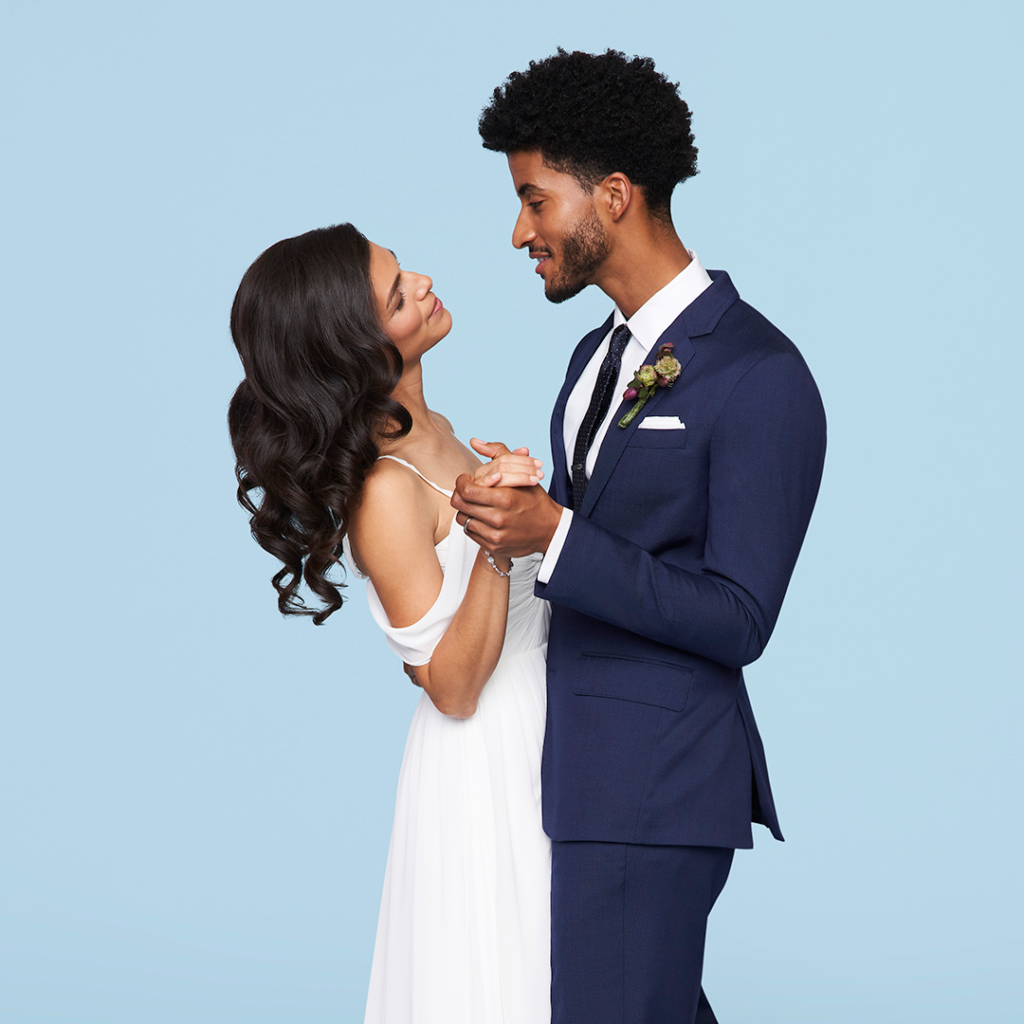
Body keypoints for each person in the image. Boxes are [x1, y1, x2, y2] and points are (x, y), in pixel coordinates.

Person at [451, 49, 827, 1024]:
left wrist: (559, 535)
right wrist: (519, 519)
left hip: (652, 783)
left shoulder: (758, 372)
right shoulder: (591, 356)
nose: (518, 231)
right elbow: (600, 543)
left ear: (612, 196)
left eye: (535, 202)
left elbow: (740, 616)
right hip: (576, 772)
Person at [227, 223, 552, 1024]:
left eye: (404, 272)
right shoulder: (381, 493)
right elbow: (449, 686)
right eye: (398, 293)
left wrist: (517, 510)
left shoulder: (435, 432)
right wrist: (498, 546)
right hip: (488, 763)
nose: (425, 283)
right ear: (355, 346)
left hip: (547, 727)